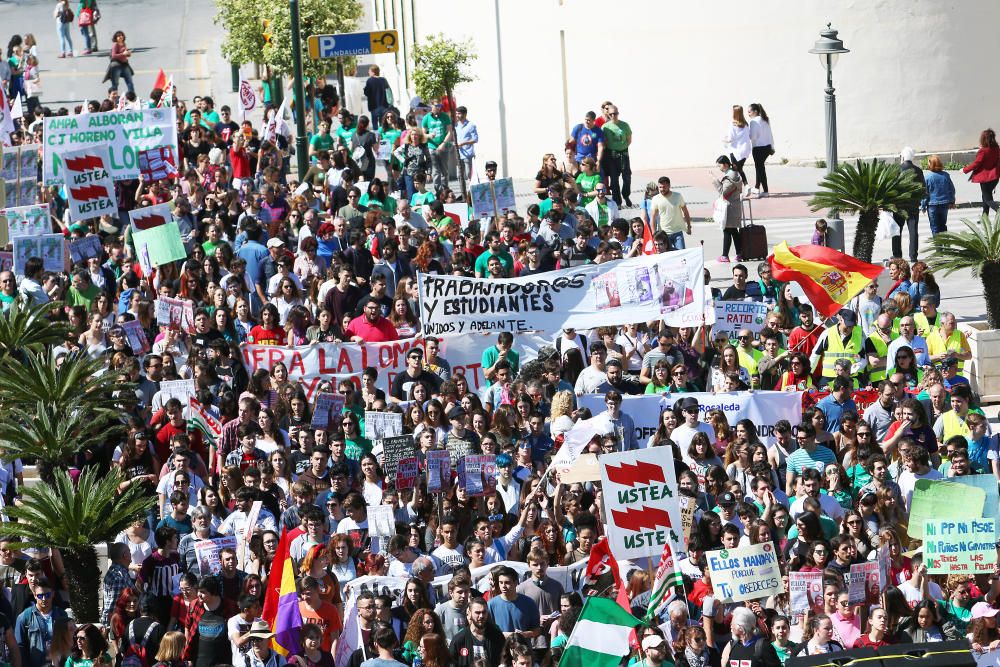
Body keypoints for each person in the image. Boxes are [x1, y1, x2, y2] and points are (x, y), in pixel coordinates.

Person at [892, 147, 925, 263]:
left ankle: (897, 255)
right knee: (913, 231)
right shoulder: (918, 170)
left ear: (902, 157)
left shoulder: (896, 170)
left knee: (896, 231)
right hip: (913, 206)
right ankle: (913, 256)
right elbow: (923, 188)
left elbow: (891, 187)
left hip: (899, 205)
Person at [962, 128, 1000, 215]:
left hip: (985, 178)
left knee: (988, 199)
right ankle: (984, 218)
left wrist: (964, 170)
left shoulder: (983, 151)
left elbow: (976, 163)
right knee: (985, 197)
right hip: (995, 177)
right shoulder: (996, 148)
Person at [713, 155, 743, 262]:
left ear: (725, 164)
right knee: (734, 231)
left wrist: (714, 180)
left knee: (727, 231)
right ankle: (739, 254)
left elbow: (723, 192)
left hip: (729, 208)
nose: (719, 168)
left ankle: (725, 256)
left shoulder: (730, 176)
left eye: (720, 166)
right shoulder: (734, 173)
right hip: (734, 206)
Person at [922, 155, 956, 236]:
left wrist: (923, 206)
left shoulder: (928, 177)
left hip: (932, 205)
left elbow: (924, 194)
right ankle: (945, 245)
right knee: (943, 226)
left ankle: (938, 248)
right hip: (944, 204)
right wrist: (952, 201)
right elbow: (951, 189)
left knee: (935, 228)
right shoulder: (946, 175)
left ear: (931, 164)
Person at [748, 103, 774, 197]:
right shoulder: (765, 119)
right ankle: (757, 188)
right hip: (767, 147)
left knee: (760, 169)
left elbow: (753, 137)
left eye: (749, 112)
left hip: (758, 148)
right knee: (760, 168)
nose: (748, 114)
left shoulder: (753, 121)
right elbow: (770, 134)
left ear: (755, 111)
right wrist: (772, 147)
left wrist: (747, 135)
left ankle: (765, 191)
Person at [724, 105, 752, 190]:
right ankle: (744, 186)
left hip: (736, 151)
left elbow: (730, 138)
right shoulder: (746, 124)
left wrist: (725, 140)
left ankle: (740, 188)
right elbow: (748, 136)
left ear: (734, 113)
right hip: (745, 150)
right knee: (738, 169)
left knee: (735, 170)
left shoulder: (733, 124)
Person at [104, 30, 134, 95]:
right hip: (116, 66)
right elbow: (113, 55)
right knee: (115, 83)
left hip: (125, 64)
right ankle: (114, 97)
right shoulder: (115, 45)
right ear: (116, 38)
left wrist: (128, 54)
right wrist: (123, 54)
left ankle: (132, 97)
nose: (120, 37)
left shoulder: (124, 44)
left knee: (129, 82)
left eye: (121, 35)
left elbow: (125, 54)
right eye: (118, 36)